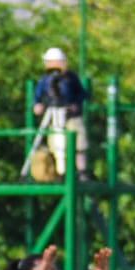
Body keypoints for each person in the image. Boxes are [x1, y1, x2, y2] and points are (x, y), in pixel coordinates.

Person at [33, 47, 90, 178]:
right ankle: (60, 173)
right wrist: (37, 105)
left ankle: (82, 172)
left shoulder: (71, 78)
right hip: (54, 116)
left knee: (79, 144)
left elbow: (82, 94)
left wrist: (75, 104)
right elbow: (38, 96)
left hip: (71, 116)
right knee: (57, 144)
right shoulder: (45, 79)